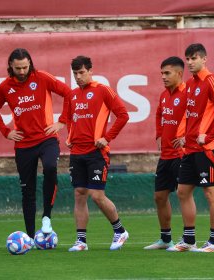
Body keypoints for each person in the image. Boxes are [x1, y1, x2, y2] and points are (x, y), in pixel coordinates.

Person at [0, 48, 71, 240]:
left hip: (46, 138)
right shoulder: (4, 87)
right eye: (18, 68)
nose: (22, 71)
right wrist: (6, 131)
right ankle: (31, 236)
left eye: (25, 67)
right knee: (28, 189)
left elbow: (69, 94)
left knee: (50, 167)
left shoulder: (42, 78)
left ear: (30, 64)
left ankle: (47, 217)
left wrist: (62, 121)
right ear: (11, 66)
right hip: (24, 145)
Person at [167, 43, 214, 253]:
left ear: (204, 59)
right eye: (188, 59)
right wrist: (185, 136)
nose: (190, 62)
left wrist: (209, 136)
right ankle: (189, 239)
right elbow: (191, 114)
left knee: (211, 193)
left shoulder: (212, 81)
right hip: (191, 148)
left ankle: (213, 242)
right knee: (182, 192)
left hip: (208, 149)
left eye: (194, 58)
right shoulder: (191, 84)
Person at [66, 56, 129, 251]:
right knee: (79, 194)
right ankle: (81, 241)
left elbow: (123, 115)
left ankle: (120, 231)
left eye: (82, 73)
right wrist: (70, 136)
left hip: (96, 153)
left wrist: (107, 137)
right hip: (77, 152)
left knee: (97, 195)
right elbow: (70, 119)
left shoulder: (103, 90)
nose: (78, 77)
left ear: (90, 71)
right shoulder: (73, 95)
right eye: (75, 73)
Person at [144, 57, 186, 250]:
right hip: (166, 155)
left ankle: (189, 239)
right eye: (161, 73)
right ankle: (166, 239)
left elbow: (199, 117)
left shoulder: (188, 93)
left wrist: (187, 137)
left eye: (167, 73)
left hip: (181, 154)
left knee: (184, 195)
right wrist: (159, 135)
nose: (163, 77)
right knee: (159, 196)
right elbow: (159, 114)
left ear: (179, 73)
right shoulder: (163, 95)